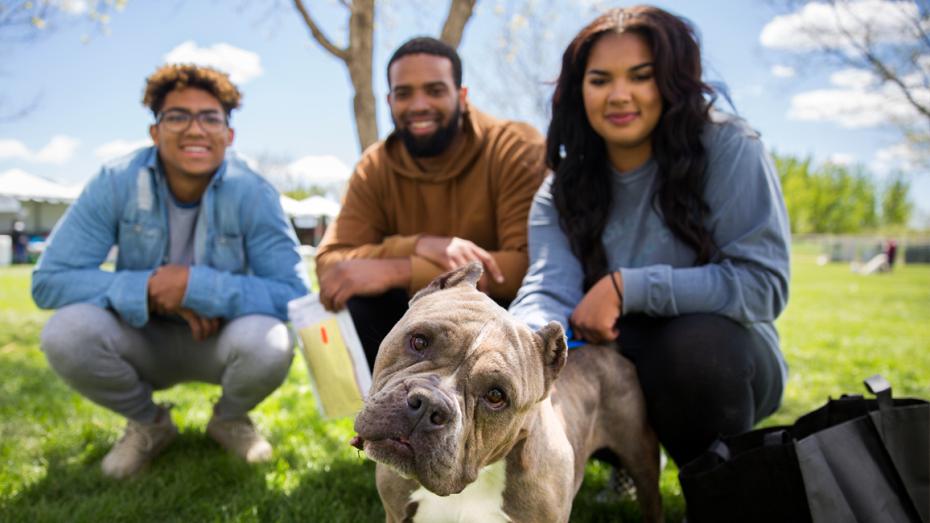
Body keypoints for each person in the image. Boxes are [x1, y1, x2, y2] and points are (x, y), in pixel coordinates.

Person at [509, 5, 791, 469]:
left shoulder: (731, 147)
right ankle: (622, 459)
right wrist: (515, 347)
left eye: (640, 76)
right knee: (560, 359)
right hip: (619, 353)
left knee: (693, 351)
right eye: (600, 80)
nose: (619, 95)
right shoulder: (562, 186)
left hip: (721, 359)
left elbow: (763, 285)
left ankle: (719, 489)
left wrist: (627, 287)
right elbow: (548, 286)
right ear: (579, 93)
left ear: (671, 81)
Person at [32, 64, 310, 479]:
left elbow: (293, 294)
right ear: (155, 131)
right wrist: (148, 289)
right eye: (177, 116)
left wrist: (195, 287)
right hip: (141, 336)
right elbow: (49, 281)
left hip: (219, 339)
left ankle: (229, 419)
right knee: (65, 333)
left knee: (270, 342)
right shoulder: (114, 181)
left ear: (228, 136)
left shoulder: (255, 192)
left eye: (210, 117)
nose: (194, 129)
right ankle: (149, 423)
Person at [315, 37, 546, 366]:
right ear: (389, 100)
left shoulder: (514, 147)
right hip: (411, 325)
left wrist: (402, 269)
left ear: (462, 96)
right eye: (404, 93)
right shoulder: (375, 165)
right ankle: (379, 409)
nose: (418, 105)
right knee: (355, 300)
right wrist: (418, 244)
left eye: (435, 90)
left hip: (496, 322)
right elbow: (332, 266)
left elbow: (526, 268)